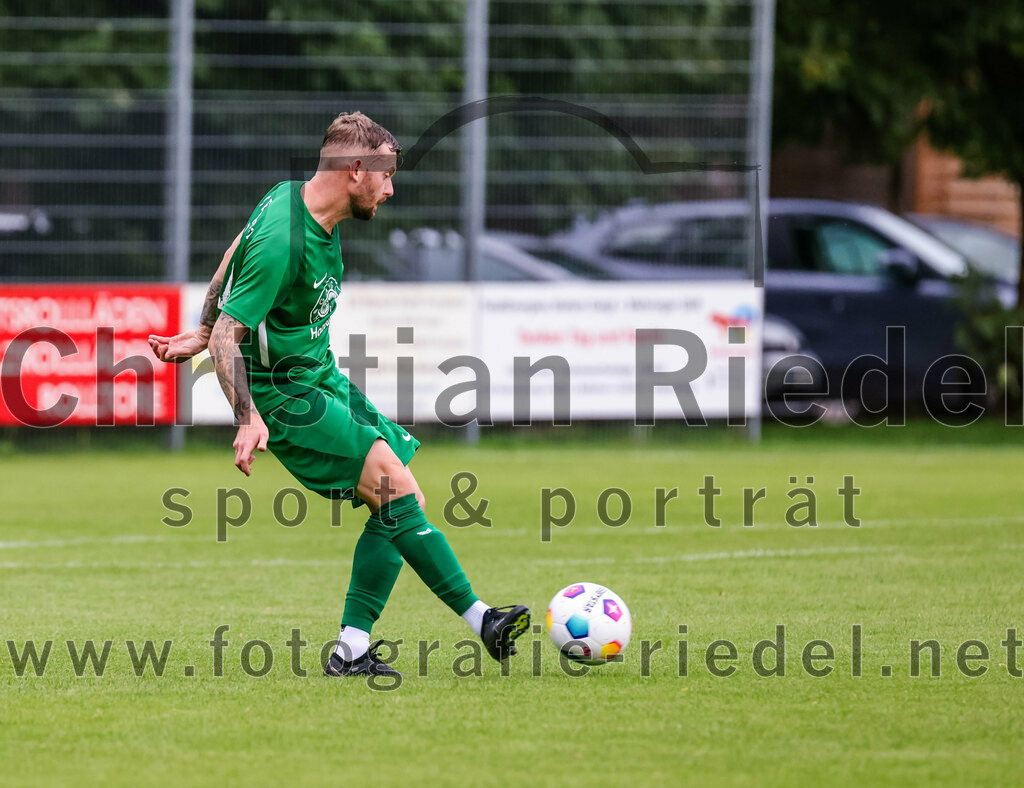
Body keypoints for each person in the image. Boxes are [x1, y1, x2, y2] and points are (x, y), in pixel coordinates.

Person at [149, 111, 530, 677]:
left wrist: (203, 325)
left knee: (401, 500)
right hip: (287, 397)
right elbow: (232, 333)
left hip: (321, 377)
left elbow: (234, 251)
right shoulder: (284, 239)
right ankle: (483, 621)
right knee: (395, 488)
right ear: (356, 169)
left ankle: (351, 649)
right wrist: (247, 414)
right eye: (386, 174)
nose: (390, 188)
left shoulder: (287, 197)